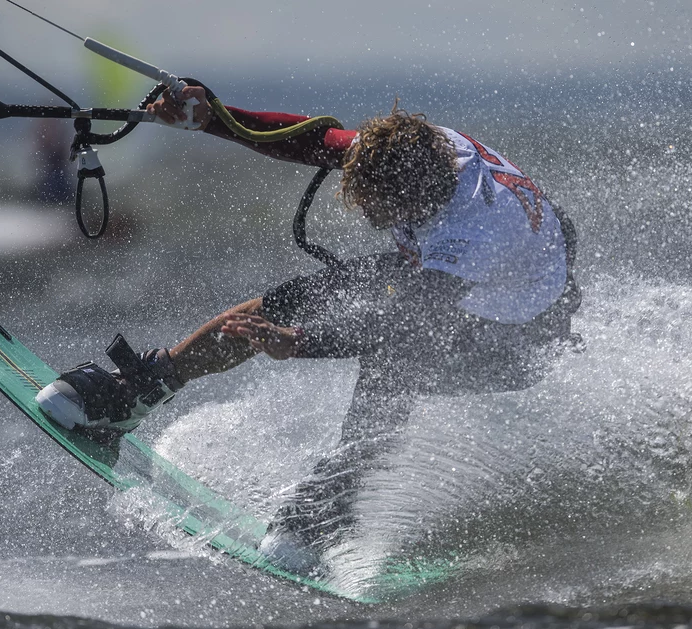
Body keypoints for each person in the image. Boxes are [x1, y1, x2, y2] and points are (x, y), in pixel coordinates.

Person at [36, 86, 581, 570]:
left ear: (419, 195)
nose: (369, 218)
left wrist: (302, 346)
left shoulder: (475, 233)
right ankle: (138, 392)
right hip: (457, 280)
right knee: (281, 304)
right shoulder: (413, 151)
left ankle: (336, 501)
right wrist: (214, 117)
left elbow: (399, 323)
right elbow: (312, 140)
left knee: (400, 354)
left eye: (382, 208)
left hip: (520, 337)